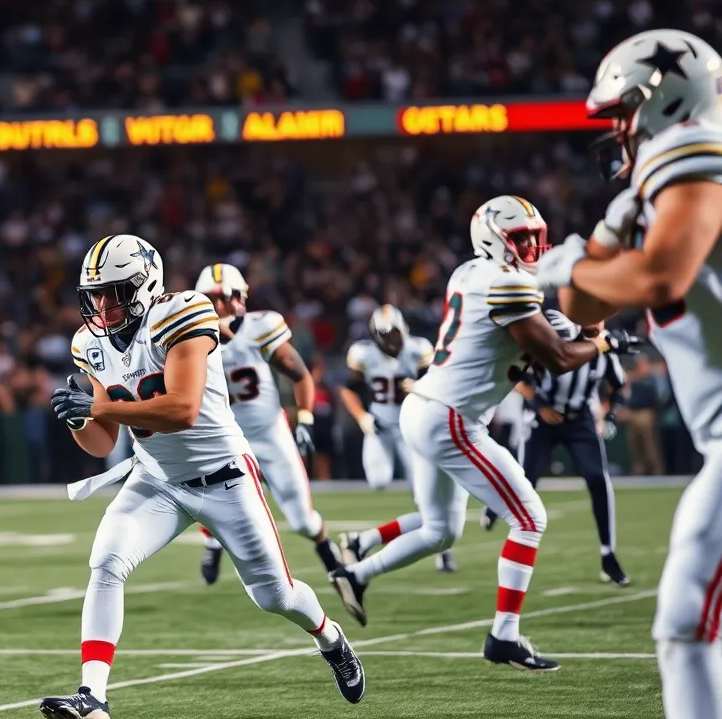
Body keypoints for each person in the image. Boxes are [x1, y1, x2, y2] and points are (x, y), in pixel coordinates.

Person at [41, 235, 364, 719]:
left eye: (115, 291)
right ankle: (93, 695)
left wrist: (99, 407)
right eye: (96, 293)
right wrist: (78, 419)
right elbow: (104, 442)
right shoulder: (90, 344)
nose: (103, 304)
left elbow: (182, 409)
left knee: (275, 597)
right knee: (105, 561)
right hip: (157, 479)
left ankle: (329, 637)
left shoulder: (183, 314)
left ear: (146, 286)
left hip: (225, 478)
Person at [330, 195, 636, 668]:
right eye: (522, 239)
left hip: (426, 408)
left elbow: (531, 335)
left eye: (536, 238)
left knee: (440, 530)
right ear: (493, 238)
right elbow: (555, 359)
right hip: (450, 417)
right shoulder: (506, 284)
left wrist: (573, 328)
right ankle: (503, 637)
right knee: (530, 519)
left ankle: (358, 572)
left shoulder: (470, 273)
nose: (532, 248)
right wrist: (602, 341)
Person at [537, 28, 722, 719]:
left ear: (662, 97)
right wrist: (597, 249)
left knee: (685, 615)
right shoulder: (655, 184)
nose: (617, 128)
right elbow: (584, 306)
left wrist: (583, 260)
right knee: (682, 620)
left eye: (623, 111)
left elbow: (657, 278)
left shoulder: (695, 149)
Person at [189, 263, 344, 585]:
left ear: (239, 298)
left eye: (223, 297)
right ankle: (211, 542)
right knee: (214, 501)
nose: (218, 306)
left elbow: (300, 374)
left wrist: (305, 418)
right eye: (210, 298)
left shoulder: (261, 326)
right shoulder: (187, 338)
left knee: (302, 520)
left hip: (269, 434)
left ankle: (333, 559)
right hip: (225, 439)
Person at [480, 309, 631, 586]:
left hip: (580, 418)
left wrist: (608, 415)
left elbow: (618, 384)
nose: (596, 322)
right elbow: (517, 376)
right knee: (526, 480)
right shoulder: (557, 335)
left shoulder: (605, 347)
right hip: (542, 418)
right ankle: (494, 505)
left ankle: (608, 554)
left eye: (600, 316)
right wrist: (540, 406)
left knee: (598, 478)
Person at [338, 305, 458, 573]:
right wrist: (362, 417)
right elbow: (348, 390)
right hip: (379, 427)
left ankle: (443, 551)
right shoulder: (363, 354)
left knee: (423, 495)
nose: (393, 342)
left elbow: (439, 386)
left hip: (411, 427)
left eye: (396, 335)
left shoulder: (418, 349)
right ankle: (366, 540)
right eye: (387, 336)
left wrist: (418, 388)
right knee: (379, 480)